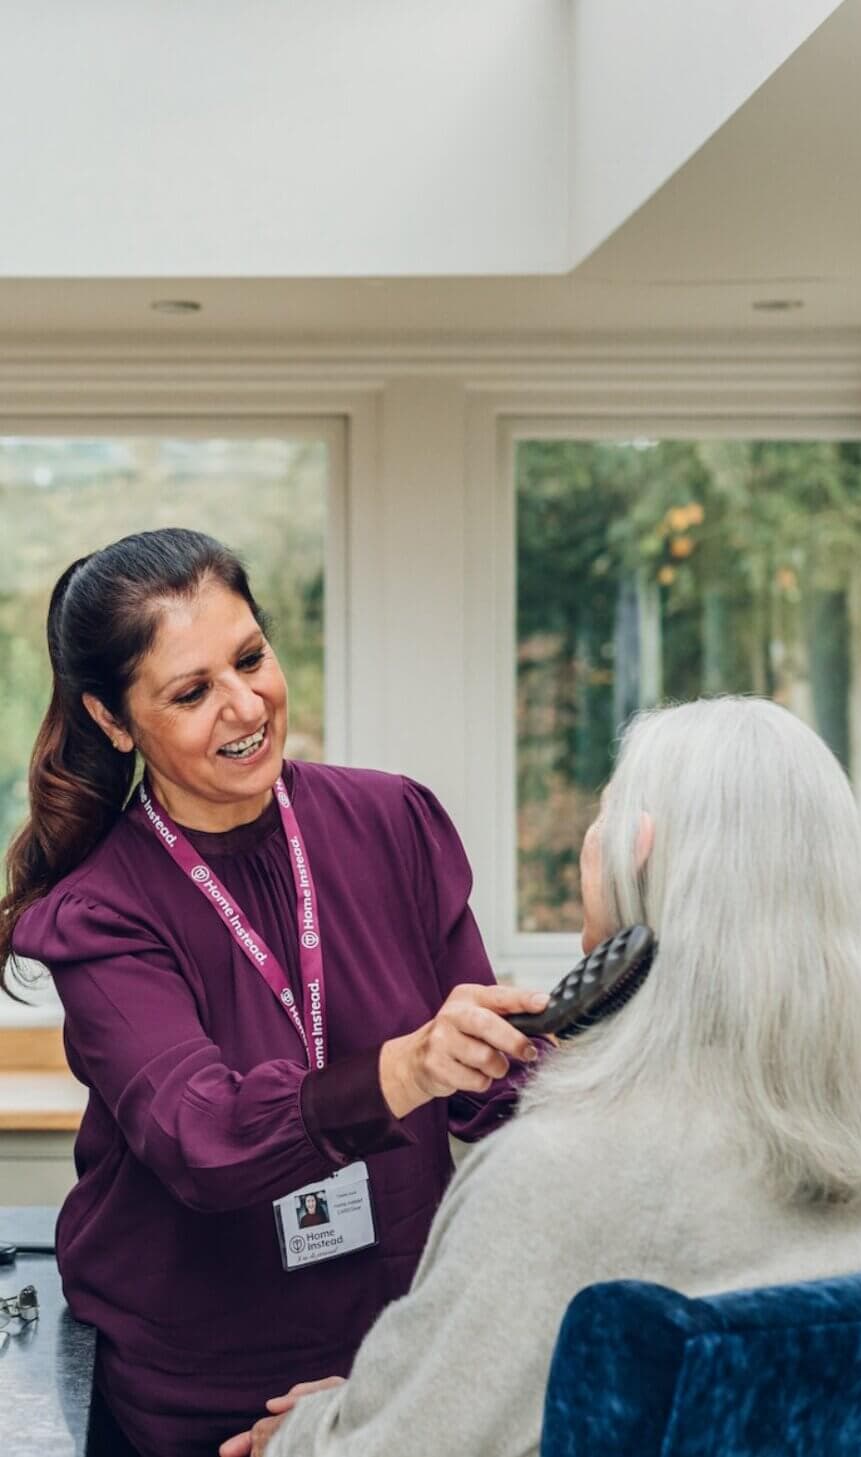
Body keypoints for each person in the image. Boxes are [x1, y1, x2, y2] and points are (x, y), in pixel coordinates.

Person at [221, 696, 861, 1457]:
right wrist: (376, 1399)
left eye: (602, 815)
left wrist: (300, 1434)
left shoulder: (555, 1174)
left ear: (639, 852)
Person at [0, 528, 550, 1457]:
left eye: (251, 657)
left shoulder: (393, 822)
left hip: (391, 1369)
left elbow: (492, 1095)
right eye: (191, 690)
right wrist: (405, 1068)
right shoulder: (101, 909)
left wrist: (564, 1058)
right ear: (112, 720)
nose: (244, 703)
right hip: (200, 1395)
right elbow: (201, 1138)